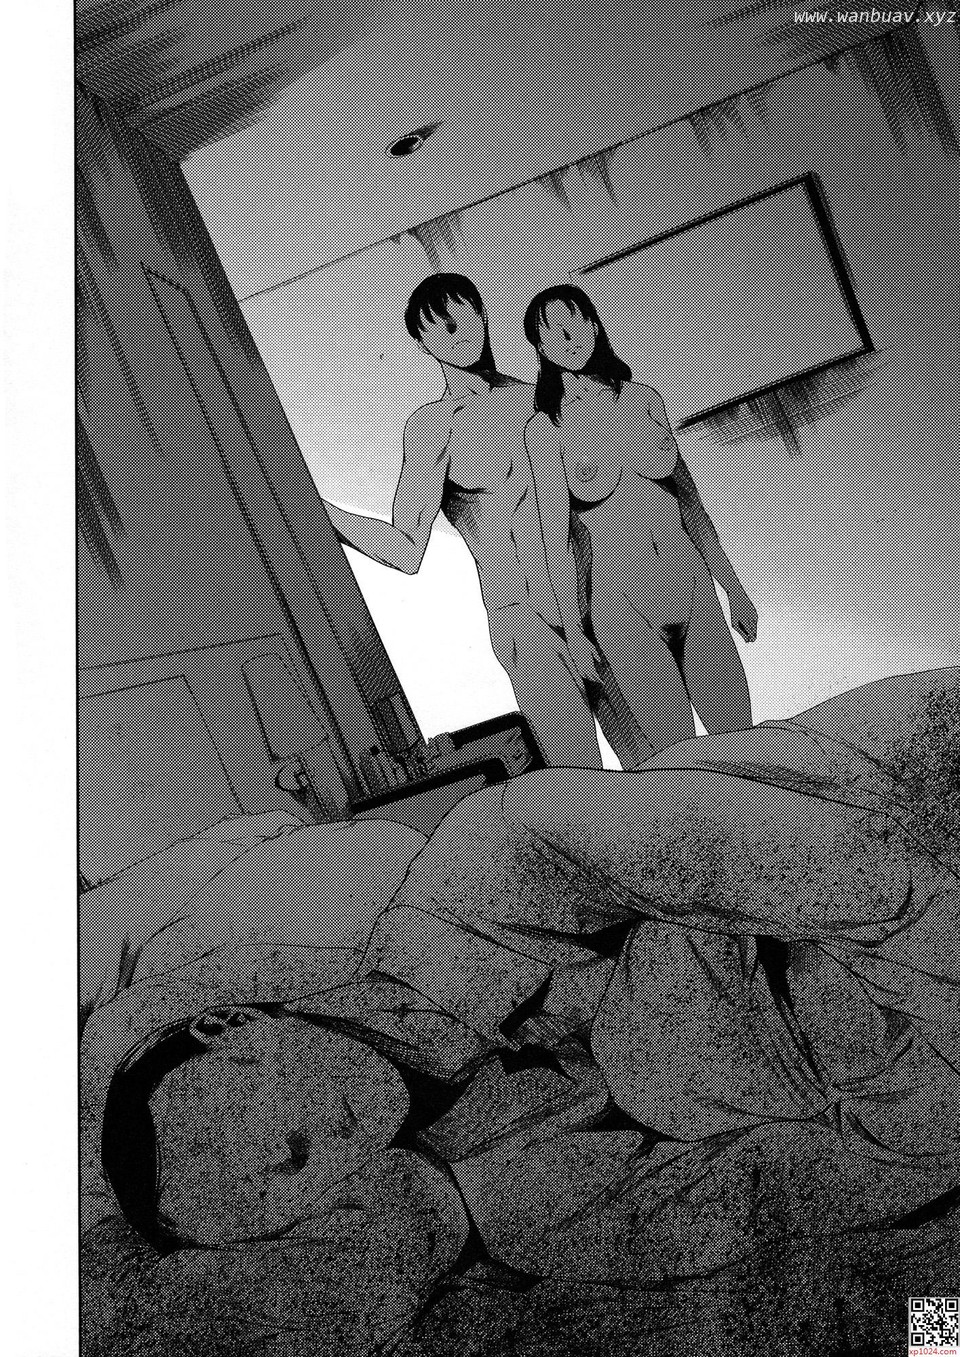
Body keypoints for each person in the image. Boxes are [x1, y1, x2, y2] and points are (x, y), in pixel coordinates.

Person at [321, 274, 647, 770]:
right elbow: (405, 549)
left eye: (466, 316)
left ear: (483, 315)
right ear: (423, 344)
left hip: (602, 600)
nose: (459, 333)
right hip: (524, 620)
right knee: (579, 777)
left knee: (661, 764)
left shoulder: (545, 397)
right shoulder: (433, 427)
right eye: (442, 327)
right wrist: (317, 507)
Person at [523, 285, 758, 758]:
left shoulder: (644, 398)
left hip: (693, 588)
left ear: (594, 326)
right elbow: (556, 540)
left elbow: (690, 501)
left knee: (744, 745)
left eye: (575, 324)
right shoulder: (545, 429)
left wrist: (733, 588)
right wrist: (574, 632)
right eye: (553, 333)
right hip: (624, 608)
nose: (568, 339)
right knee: (680, 760)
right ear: (541, 349)